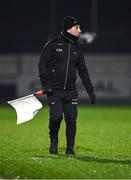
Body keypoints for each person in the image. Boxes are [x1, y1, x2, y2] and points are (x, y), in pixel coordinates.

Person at [38, 16, 96, 155]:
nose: (80, 30)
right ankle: (53, 141)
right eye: (77, 28)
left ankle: (70, 149)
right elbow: (42, 64)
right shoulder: (53, 44)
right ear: (68, 29)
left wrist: (90, 91)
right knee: (56, 118)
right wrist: (46, 85)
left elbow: (83, 71)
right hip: (55, 92)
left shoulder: (77, 48)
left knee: (71, 120)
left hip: (71, 92)